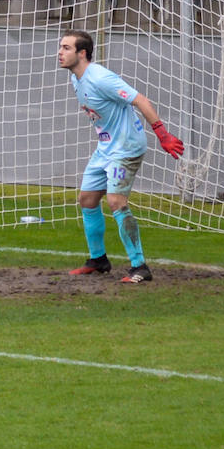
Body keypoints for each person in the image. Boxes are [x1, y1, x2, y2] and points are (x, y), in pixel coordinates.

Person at [58, 30, 184, 284]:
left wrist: (162, 133)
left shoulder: (101, 78)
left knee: (116, 201)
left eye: (66, 48)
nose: (60, 52)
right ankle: (98, 260)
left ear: (82, 53)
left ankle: (140, 267)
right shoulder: (76, 78)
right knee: (88, 199)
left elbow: (140, 100)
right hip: (106, 148)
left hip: (126, 148)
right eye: (60, 47)